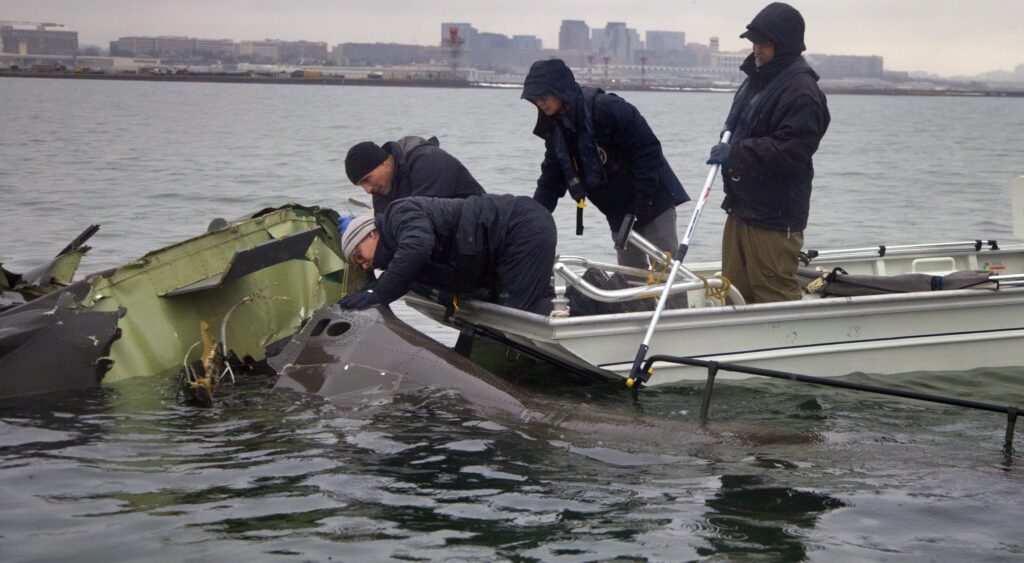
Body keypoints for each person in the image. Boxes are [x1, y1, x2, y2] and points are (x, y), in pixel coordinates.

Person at [707, 2, 830, 303]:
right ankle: (737, 348)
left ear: (785, 45)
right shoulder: (757, 79)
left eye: (764, 44)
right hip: (741, 207)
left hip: (775, 218)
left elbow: (791, 151)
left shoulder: (801, 92)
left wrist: (736, 153)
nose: (757, 50)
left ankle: (790, 347)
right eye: (754, 43)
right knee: (732, 291)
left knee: (773, 294)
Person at [520, 59, 690, 268]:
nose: (540, 103)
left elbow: (648, 150)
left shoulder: (608, 108)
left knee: (666, 267)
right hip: (617, 210)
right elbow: (550, 181)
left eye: (544, 96)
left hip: (654, 200)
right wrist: (532, 219)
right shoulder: (556, 132)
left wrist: (642, 201)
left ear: (559, 89)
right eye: (535, 99)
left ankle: (674, 301)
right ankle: (636, 302)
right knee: (629, 273)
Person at [336, 194, 557, 316]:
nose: (363, 265)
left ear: (371, 234)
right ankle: (576, 304)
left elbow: (417, 248)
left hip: (520, 228)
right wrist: (367, 294)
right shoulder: (397, 251)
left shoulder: (399, 214)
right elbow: (402, 275)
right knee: (514, 306)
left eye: (358, 256)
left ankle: (586, 308)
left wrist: (379, 294)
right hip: (508, 241)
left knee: (518, 314)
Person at [344, 136, 485, 211]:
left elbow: (424, 222)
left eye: (367, 179)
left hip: (482, 236)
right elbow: (388, 236)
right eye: (361, 185)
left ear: (383, 162)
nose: (368, 190)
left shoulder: (429, 161)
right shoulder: (381, 191)